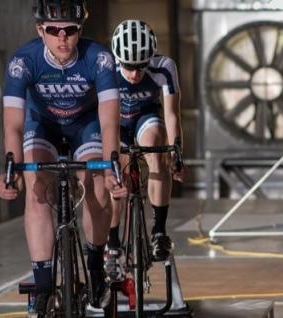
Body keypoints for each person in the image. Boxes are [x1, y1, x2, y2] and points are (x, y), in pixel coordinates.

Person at [0, 0, 126, 315]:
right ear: (41, 30)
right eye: (53, 30)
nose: (62, 37)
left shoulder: (101, 59)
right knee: (37, 190)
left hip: (86, 125)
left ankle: (95, 270)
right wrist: (10, 169)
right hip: (43, 125)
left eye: (70, 30)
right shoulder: (23, 61)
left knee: (96, 187)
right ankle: (43, 288)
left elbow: (110, 121)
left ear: (80, 29)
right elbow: (13, 123)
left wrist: (112, 167)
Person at [104, 19, 185, 282]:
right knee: (118, 178)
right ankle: (113, 242)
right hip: (115, 121)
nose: (135, 74)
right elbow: (100, 117)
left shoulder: (164, 67)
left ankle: (159, 232)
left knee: (156, 147)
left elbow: (172, 114)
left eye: (140, 66)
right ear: (118, 59)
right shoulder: (105, 68)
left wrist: (176, 152)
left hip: (144, 118)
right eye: (128, 66)